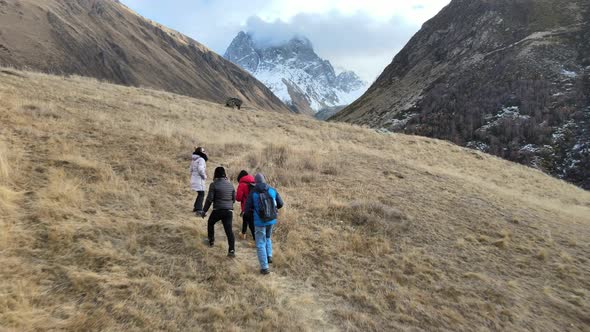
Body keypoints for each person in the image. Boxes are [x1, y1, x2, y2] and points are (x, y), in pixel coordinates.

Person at [245, 173, 284, 274]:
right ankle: (269, 256)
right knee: (267, 237)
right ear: (264, 180)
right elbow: (280, 204)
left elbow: (247, 209)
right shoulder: (272, 190)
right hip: (271, 219)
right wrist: (273, 210)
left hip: (259, 222)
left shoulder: (253, 192)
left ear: (255, 182)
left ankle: (264, 267)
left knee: (260, 243)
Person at [202, 166, 236, 257]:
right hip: (228, 211)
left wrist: (204, 211)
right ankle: (232, 250)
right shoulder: (230, 185)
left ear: (216, 174)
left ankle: (211, 241)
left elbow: (209, 199)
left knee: (210, 222)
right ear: (224, 174)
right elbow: (234, 199)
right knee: (229, 231)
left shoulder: (214, 184)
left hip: (218, 210)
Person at [236, 170, 255, 241]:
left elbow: (238, 198)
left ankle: (256, 240)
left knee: (250, 224)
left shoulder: (242, 184)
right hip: (255, 206)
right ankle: (243, 233)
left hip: (246, 207)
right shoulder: (254, 182)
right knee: (246, 219)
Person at [190, 147, 208, 216]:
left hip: (194, 179)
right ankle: (199, 210)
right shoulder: (201, 159)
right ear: (200, 152)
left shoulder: (194, 160)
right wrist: (204, 176)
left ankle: (196, 207)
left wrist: (194, 176)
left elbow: (190, 170)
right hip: (199, 180)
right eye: (203, 151)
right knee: (202, 194)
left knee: (200, 193)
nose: (204, 152)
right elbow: (200, 169)